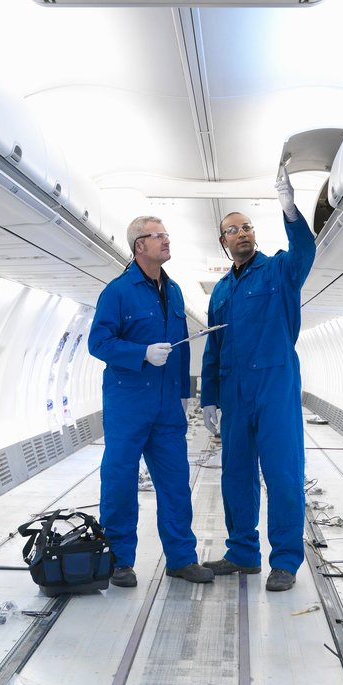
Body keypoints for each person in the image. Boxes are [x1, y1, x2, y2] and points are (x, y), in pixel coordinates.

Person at [200, 168, 316, 591]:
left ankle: (284, 560)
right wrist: (208, 396)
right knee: (235, 476)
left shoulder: (280, 272)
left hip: (275, 390)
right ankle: (242, 553)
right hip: (234, 394)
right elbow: (213, 348)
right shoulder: (220, 292)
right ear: (223, 242)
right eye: (233, 230)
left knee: (283, 475)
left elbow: (304, 252)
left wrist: (290, 209)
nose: (242, 233)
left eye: (247, 227)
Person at [87, 216, 214, 587]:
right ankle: (119, 560)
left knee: (175, 482)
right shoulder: (118, 291)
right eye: (157, 236)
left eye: (167, 235)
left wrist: (185, 396)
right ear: (138, 245)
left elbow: (180, 349)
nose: (166, 241)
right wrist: (140, 352)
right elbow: (99, 343)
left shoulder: (173, 292)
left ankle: (181, 558)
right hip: (128, 403)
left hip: (166, 406)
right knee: (120, 481)